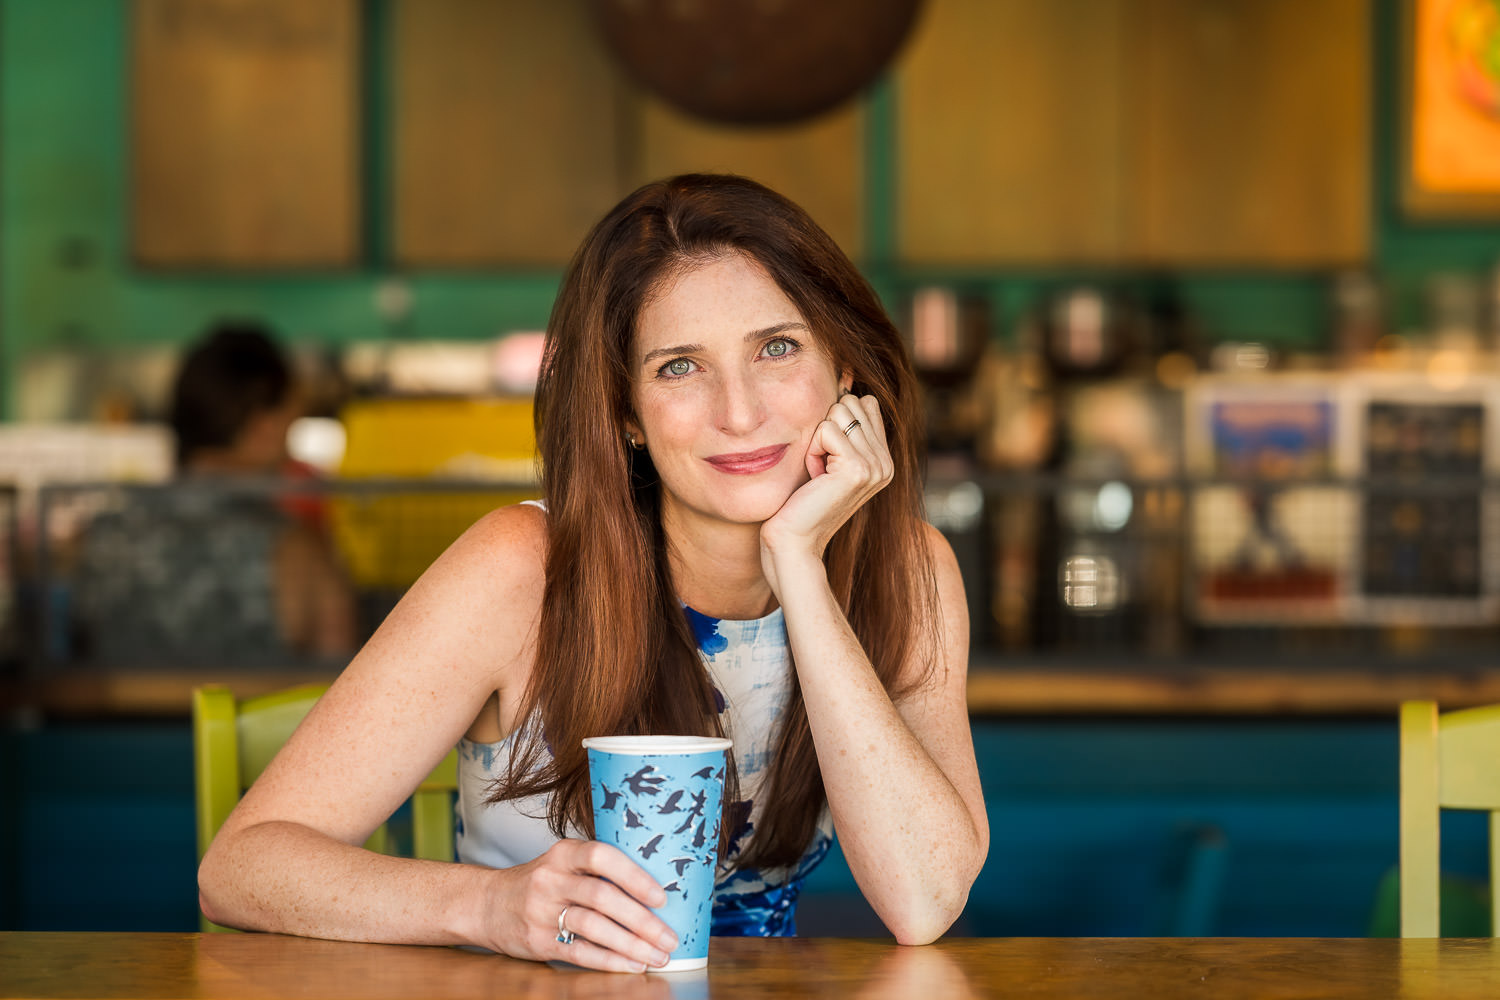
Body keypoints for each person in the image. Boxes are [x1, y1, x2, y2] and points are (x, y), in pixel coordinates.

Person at [197, 175, 988, 971]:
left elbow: (923, 901)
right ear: (625, 411)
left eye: (776, 348)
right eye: (680, 367)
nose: (740, 411)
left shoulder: (909, 569)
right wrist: (487, 908)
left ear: (844, 366)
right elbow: (240, 869)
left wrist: (801, 569)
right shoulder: (523, 570)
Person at [73, 322, 355, 664]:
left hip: (103, 719)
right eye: (290, 416)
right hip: (251, 718)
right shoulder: (298, 551)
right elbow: (345, 685)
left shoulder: (103, 535)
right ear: (263, 425)